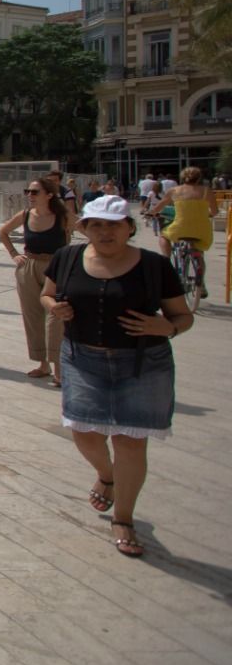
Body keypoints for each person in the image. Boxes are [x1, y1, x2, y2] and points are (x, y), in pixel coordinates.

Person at [41, 194, 193, 557]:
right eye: (96, 225)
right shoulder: (67, 258)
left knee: (130, 440)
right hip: (83, 359)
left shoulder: (155, 266)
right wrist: (54, 307)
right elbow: (46, 295)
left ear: (129, 228)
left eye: (113, 225)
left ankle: (123, 517)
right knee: (84, 431)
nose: (105, 232)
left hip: (143, 364)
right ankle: (107, 475)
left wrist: (166, 327)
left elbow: (182, 316)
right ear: (85, 229)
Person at [0, 176, 73, 384]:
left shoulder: (63, 216)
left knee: (55, 316)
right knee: (32, 315)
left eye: (34, 192)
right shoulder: (25, 214)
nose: (29, 196)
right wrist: (13, 253)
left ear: (49, 195)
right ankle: (42, 363)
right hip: (28, 266)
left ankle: (58, 366)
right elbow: (3, 231)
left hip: (55, 267)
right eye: (28, 191)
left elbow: (85, 231)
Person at [155, 167, 218, 283]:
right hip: (202, 230)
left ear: (182, 177)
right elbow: (215, 212)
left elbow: (160, 205)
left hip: (180, 228)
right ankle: (201, 283)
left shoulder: (174, 191)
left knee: (164, 236)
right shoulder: (206, 191)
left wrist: (150, 213)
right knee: (199, 253)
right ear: (199, 178)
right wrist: (207, 214)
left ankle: (166, 261)